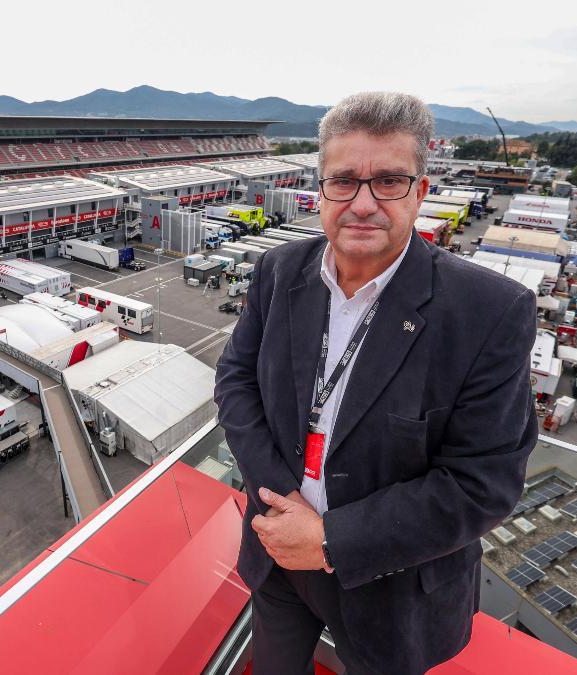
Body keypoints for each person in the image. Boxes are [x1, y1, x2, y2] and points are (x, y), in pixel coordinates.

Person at [215, 91, 538, 675]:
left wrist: (332, 540)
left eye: (388, 181)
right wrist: (282, 506)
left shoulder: (490, 311)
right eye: (343, 181)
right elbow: (236, 383)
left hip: (393, 584)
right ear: (320, 190)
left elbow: (483, 482)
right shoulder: (278, 270)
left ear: (419, 192)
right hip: (278, 551)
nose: (363, 203)